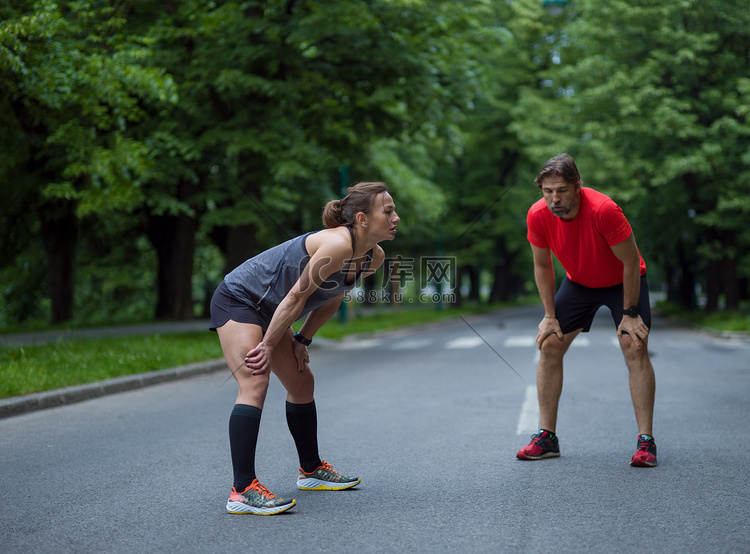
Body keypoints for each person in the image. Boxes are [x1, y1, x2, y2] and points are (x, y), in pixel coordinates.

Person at [210, 182, 400, 515]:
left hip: (274, 308)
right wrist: (268, 346)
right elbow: (296, 297)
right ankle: (242, 490)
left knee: (301, 382)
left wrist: (302, 340)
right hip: (240, 299)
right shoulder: (338, 244)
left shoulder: (373, 256)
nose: (396, 217)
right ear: (362, 218)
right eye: (388, 211)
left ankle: (310, 470)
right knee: (255, 380)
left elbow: (335, 294)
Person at [517, 153, 657, 467]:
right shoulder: (538, 215)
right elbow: (542, 266)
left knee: (633, 345)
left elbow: (631, 261)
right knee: (550, 344)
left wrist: (630, 313)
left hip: (621, 280)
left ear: (577, 186)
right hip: (579, 282)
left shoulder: (604, 210)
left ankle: (646, 442)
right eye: (548, 191)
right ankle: (546, 437)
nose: (555, 199)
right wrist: (549, 316)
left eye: (562, 190)